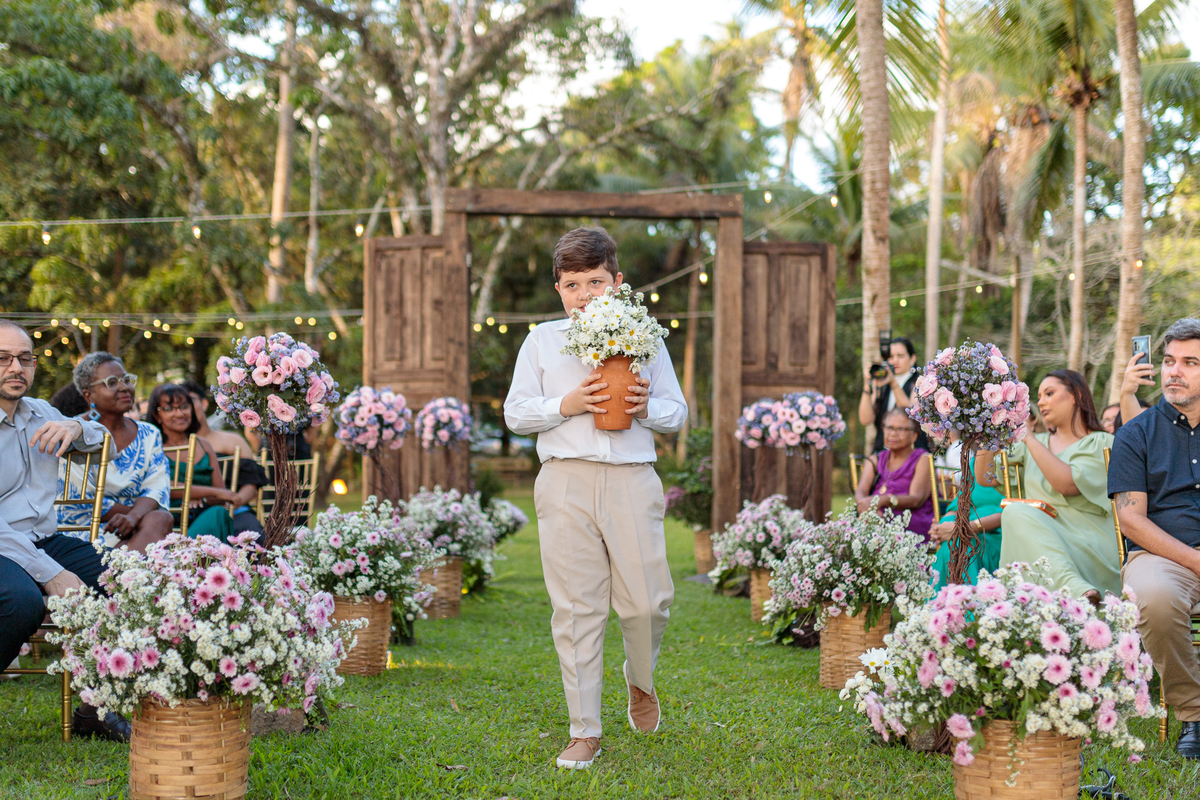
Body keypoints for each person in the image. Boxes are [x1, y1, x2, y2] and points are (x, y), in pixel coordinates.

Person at [504, 226, 687, 770]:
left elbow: (676, 414)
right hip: (563, 481)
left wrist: (644, 403)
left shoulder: (647, 339)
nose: (584, 294)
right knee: (577, 609)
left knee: (648, 602)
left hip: (633, 478)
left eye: (596, 281)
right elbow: (516, 413)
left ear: (618, 281)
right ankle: (585, 730)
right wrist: (567, 403)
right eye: (572, 284)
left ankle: (641, 679)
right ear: (558, 288)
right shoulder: (541, 340)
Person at [0, 320, 129, 740]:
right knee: (22, 601)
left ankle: (96, 707)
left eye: (24, 359)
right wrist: (49, 572)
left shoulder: (40, 411)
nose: (15, 368)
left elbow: (98, 434)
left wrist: (75, 426)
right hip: (3, 544)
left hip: (44, 538)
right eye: (3, 359)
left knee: (126, 581)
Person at [1109, 318, 1200, 759]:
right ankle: (1194, 714)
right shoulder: (1136, 433)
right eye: (1168, 361)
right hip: (1162, 555)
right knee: (1153, 596)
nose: (1173, 371)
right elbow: (1130, 519)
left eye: (1189, 362)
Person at [975, 369, 1117, 601]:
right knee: (1016, 511)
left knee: (1017, 510)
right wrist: (988, 433)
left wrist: (1028, 436)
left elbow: (1066, 484)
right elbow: (986, 478)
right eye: (1038, 397)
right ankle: (1073, 589)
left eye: (1049, 393)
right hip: (1039, 543)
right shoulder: (1034, 444)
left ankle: (1074, 588)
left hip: (1088, 543)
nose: (1041, 402)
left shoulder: (1101, 442)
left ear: (1077, 395)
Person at [58, 353, 173, 552]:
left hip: (137, 524)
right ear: (88, 395)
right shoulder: (75, 431)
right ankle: (128, 573)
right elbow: (83, 498)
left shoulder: (149, 433)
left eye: (126, 380)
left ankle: (121, 575)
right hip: (86, 526)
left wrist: (133, 518)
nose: (124, 387)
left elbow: (156, 487)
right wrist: (136, 517)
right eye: (111, 382)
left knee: (161, 517)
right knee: (157, 522)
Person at [147, 383, 237, 542]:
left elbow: (221, 494)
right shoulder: (152, 445)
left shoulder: (203, 445)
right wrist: (201, 493)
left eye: (184, 406)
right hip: (166, 521)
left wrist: (199, 497)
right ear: (156, 415)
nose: (179, 413)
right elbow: (162, 485)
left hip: (202, 516)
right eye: (169, 409)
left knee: (219, 514)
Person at [181, 380, 265, 537]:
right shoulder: (175, 448)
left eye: (190, 401)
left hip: (235, 511)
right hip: (190, 513)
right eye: (180, 405)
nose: (186, 410)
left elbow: (251, 484)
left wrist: (233, 501)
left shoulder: (233, 441)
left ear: (204, 403)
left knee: (251, 535)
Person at [853, 408, 934, 540]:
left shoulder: (922, 459)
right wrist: (865, 507)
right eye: (889, 427)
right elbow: (861, 489)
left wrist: (883, 500)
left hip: (910, 518)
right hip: (875, 515)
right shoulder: (876, 459)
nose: (893, 434)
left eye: (900, 429)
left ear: (914, 435)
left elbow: (916, 499)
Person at [928, 455, 1004, 590]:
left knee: (959, 545)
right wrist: (942, 527)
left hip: (999, 532)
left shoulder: (1019, 460)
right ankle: (952, 606)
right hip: (967, 529)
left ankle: (965, 606)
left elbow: (1013, 511)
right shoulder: (977, 461)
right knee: (954, 544)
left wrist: (966, 528)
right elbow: (957, 506)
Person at [858, 337, 929, 454]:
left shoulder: (919, 382)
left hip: (912, 452)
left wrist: (892, 382)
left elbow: (911, 413)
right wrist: (867, 383)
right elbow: (865, 419)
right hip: (882, 452)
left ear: (912, 359)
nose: (895, 361)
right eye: (891, 357)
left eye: (900, 356)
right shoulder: (881, 384)